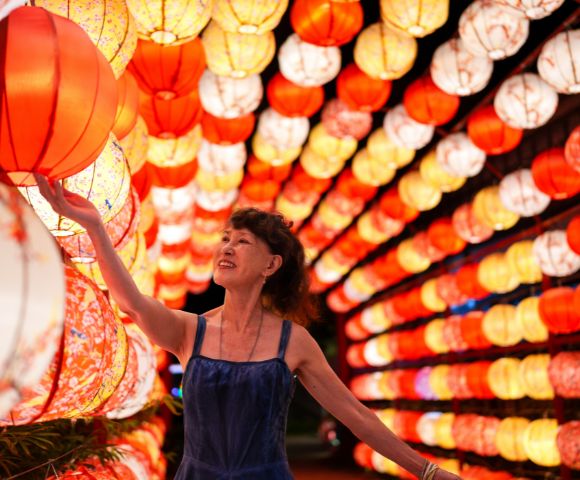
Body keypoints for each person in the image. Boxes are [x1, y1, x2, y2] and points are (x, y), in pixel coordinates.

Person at [35, 174, 461, 480]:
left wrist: (427, 472)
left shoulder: (292, 342)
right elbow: (130, 301)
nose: (227, 247)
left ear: (271, 265)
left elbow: (356, 416)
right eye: (226, 238)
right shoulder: (189, 331)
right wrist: (93, 226)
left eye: (242, 242)